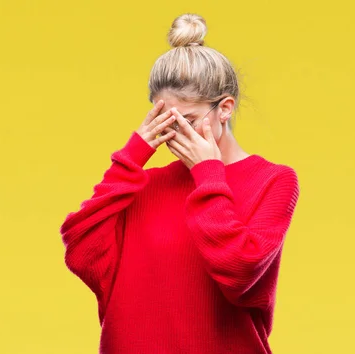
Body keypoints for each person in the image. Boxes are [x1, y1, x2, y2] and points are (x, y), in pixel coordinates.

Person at [59, 13, 300, 354]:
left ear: (225, 108)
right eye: (165, 121)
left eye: (188, 120)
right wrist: (132, 155)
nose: (175, 135)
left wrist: (208, 173)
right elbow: (81, 249)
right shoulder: (143, 184)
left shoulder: (273, 180)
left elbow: (240, 273)